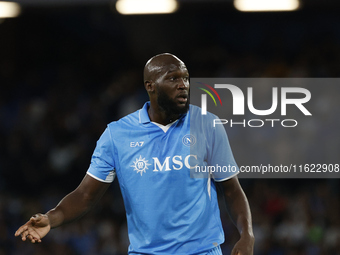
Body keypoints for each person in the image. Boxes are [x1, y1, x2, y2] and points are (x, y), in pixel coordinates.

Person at [15, 53, 254, 255]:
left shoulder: (207, 124)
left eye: (186, 79)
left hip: (202, 251)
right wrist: (52, 218)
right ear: (150, 86)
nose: (183, 85)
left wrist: (247, 234)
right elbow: (85, 195)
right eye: (173, 78)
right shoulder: (117, 135)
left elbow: (231, 189)